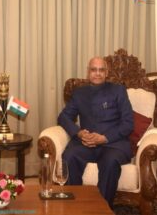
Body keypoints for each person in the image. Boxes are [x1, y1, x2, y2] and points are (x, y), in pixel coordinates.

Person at [58, 57, 134, 208]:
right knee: (69, 156)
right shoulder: (80, 93)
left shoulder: (118, 90)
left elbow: (128, 123)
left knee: (110, 162)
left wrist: (105, 138)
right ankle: (75, 204)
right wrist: (79, 133)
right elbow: (63, 117)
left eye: (101, 70)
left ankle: (101, 208)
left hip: (113, 144)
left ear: (107, 73)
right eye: (94, 70)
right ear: (88, 72)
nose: (97, 74)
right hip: (87, 142)